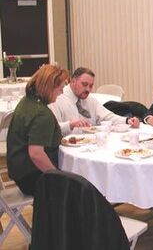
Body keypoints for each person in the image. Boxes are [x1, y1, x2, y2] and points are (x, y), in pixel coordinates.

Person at [7, 64, 69, 195]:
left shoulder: (27, 101)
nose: (62, 92)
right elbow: (36, 154)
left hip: (20, 172)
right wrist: (58, 177)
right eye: (61, 88)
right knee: (81, 185)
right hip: (32, 177)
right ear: (50, 87)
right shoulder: (41, 114)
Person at [49, 67, 140, 135]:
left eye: (91, 86)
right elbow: (52, 129)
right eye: (84, 84)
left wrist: (127, 120)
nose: (88, 89)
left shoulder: (89, 100)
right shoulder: (57, 99)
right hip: (68, 148)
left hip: (91, 144)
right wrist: (70, 125)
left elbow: (107, 117)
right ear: (73, 81)